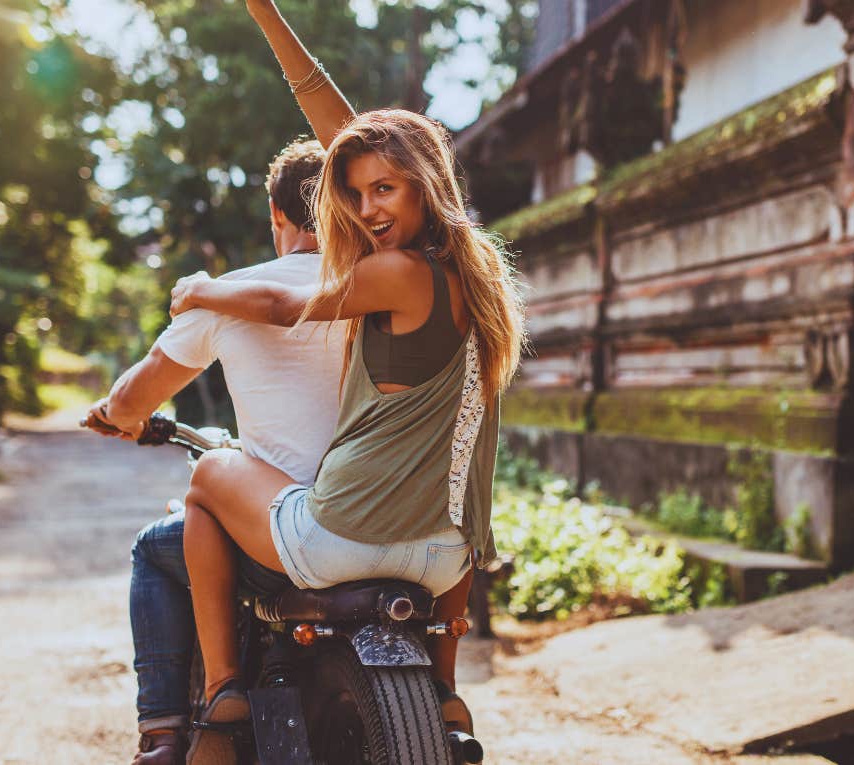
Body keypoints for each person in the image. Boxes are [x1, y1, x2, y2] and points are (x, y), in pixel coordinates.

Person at [167, 107, 525, 765]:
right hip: (447, 558)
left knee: (207, 477)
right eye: (354, 194)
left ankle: (221, 694)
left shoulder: (401, 272)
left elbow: (282, 307)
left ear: (425, 183)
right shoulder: (487, 282)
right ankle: (443, 686)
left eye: (384, 188)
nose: (365, 208)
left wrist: (203, 290)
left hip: (342, 539)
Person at [84, 139, 342, 765]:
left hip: (282, 537)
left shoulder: (229, 294)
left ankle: (165, 733)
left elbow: (136, 392)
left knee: (155, 547)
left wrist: (116, 417)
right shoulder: (375, 292)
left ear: (277, 218)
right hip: (378, 515)